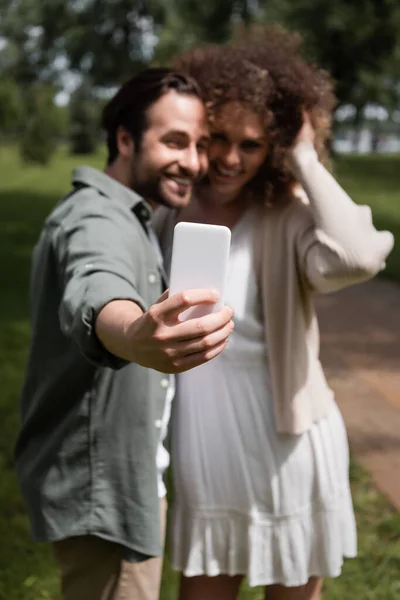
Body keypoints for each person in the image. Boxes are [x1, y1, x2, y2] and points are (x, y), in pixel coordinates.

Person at [154, 29, 394, 600]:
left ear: (274, 148)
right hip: (202, 445)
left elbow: (359, 256)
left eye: (253, 144)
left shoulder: (286, 215)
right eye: (218, 138)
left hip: (284, 443)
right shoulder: (167, 209)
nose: (231, 157)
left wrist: (306, 156)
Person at [14, 67, 235, 600]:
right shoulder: (96, 218)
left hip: (121, 482)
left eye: (200, 145)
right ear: (125, 140)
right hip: (103, 496)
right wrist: (133, 333)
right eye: (175, 141)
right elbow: (96, 282)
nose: (194, 162)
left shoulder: (135, 214)